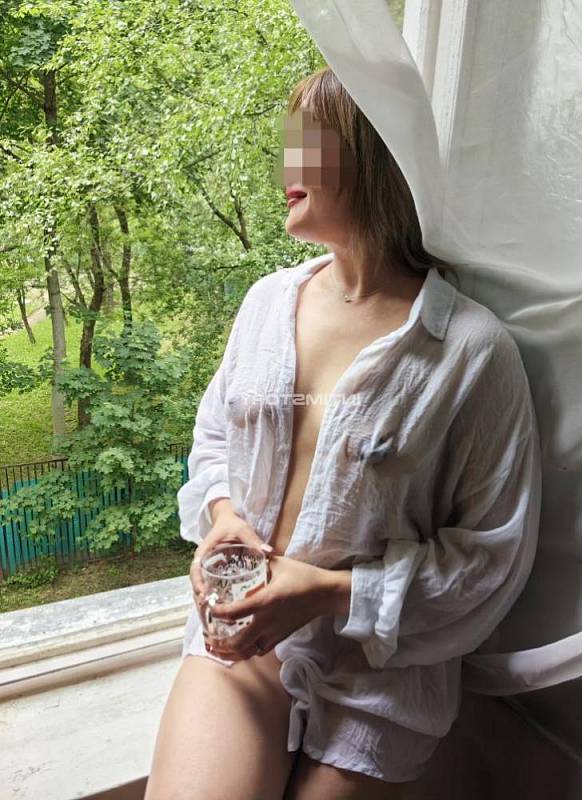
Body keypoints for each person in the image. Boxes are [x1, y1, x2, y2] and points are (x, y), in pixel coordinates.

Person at [145, 66, 542, 800]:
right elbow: (214, 440)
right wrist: (223, 516)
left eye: (307, 144)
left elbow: (491, 559)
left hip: (383, 674)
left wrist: (329, 593)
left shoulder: (470, 351)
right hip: (241, 640)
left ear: (375, 156)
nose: (285, 167)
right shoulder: (267, 304)